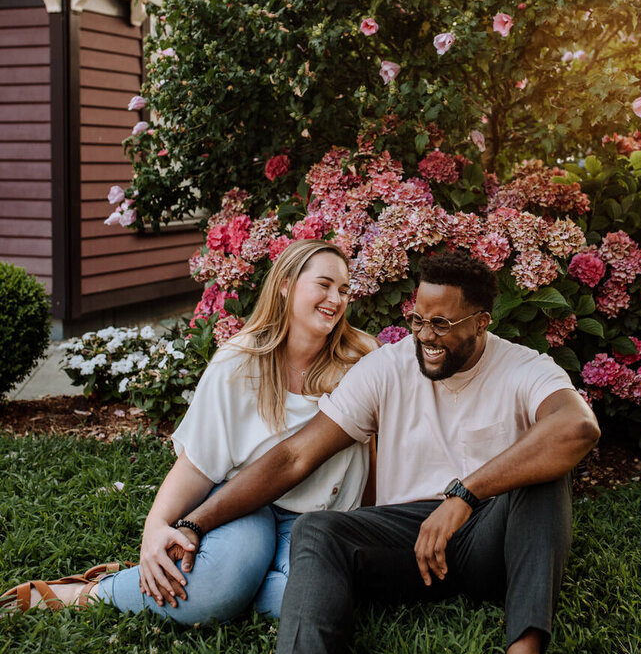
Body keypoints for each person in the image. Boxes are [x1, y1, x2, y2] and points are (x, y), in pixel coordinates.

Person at [166, 251, 600, 654]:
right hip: (406, 549)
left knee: (544, 473)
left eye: (442, 323)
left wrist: (464, 494)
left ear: (482, 321)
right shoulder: (388, 367)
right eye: (418, 319)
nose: (426, 335)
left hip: (491, 541)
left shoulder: (523, 366)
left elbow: (577, 428)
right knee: (318, 530)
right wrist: (194, 522)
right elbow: (294, 457)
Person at [0, 240, 376, 623]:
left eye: (344, 290)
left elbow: (378, 452)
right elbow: (197, 463)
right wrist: (155, 528)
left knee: (308, 598)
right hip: (243, 507)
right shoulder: (239, 362)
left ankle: (227, 579)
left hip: (319, 521)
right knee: (221, 589)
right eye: (324, 284)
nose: (336, 299)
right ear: (285, 283)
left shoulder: (362, 359)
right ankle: (87, 592)